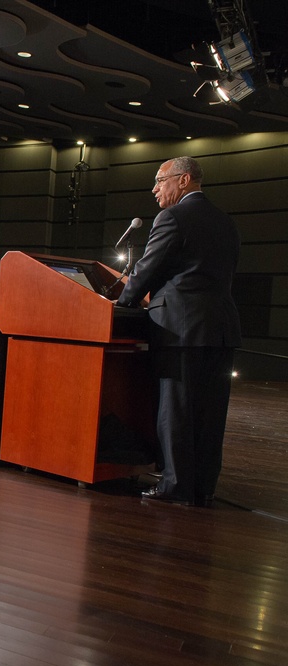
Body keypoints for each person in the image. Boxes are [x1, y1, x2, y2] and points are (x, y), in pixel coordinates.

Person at [116, 156, 241, 507]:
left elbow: (147, 270)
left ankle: (175, 487)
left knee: (177, 410)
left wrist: (124, 300)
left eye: (160, 180)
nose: (155, 189)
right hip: (220, 329)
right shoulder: (226, 222)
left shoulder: (172, 217)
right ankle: (203, 487)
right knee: (210, 414)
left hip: (180, 330)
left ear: (183, 180)